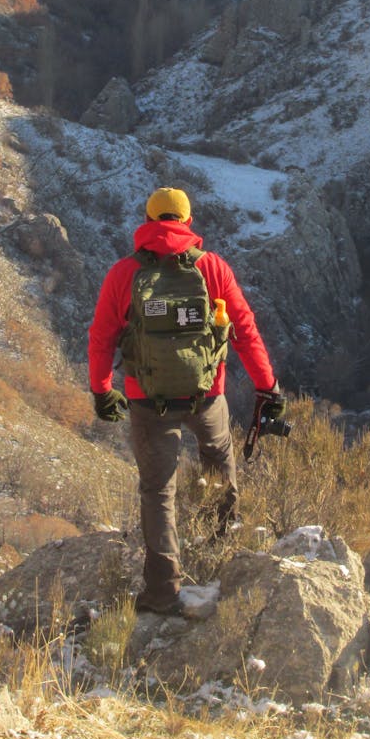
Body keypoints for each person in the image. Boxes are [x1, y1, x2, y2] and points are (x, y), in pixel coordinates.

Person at [88, 186, 285, 614]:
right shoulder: (212, 267)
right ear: (187, 222)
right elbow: (244, 329)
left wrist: (103, 390)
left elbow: (102, 337)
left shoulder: (123, 274)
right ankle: (219, 553)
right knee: (218, 458)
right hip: (206, 394)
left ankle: (163, 590)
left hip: (148, 400)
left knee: (158, 490)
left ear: (148, 220)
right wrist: (267, 386)